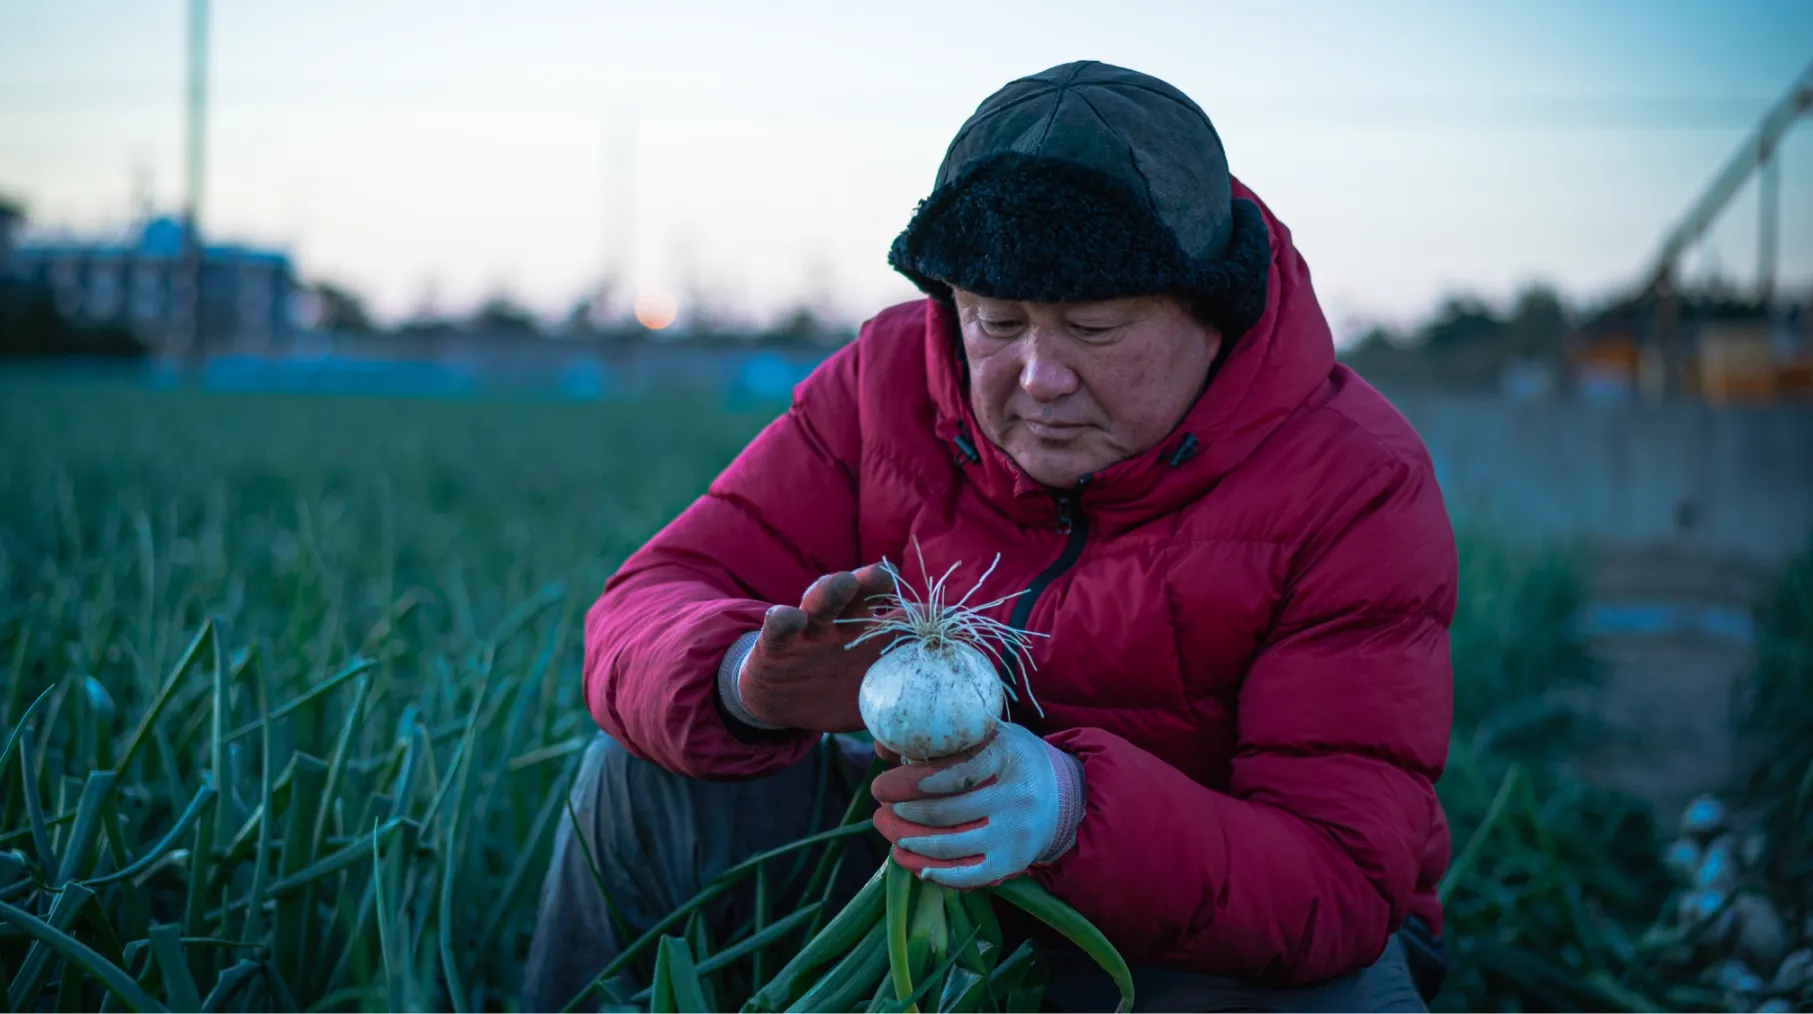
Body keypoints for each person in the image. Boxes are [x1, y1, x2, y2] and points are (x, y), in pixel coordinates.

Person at [521, 59, 1455, 1013]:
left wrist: (1067, 810)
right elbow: (648, 598)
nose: (1039, 376)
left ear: (1212, 314)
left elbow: (1339, 879)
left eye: (1092, 328)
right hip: (903, 867)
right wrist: (740, 683)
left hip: (1180, 932)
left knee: (1347, 994)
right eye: (995, 321)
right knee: (638, 777)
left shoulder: (1354, 479)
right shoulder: (880, 386)